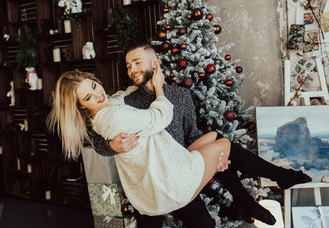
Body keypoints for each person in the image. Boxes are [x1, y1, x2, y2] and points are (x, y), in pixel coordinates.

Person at [90, 42, 312, 227]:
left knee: (217, 142)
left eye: (137, 62)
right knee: (220, 142)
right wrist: (113, 146)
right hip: (149, 182)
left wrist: (216, 159)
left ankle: (254, 194)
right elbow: (98, 136)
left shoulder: (180, 95)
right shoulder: (126, 102)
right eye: (129, 65)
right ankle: (258, 191)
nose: (132, 69)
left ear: (154, 63)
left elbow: (192, 135)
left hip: (180, 171)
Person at [47, 68, 232, 222]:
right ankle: (240, 203)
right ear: (80, 106)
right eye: (88, 97)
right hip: (164, 185)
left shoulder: (107, 109)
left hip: (152, 186)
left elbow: (117, 97)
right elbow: (161, 117)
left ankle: (240, 200)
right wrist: (158, 88)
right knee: (223, 143)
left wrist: (139, 86)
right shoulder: (113, 117)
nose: (98, 94)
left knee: (214, 138)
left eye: (95, 86)